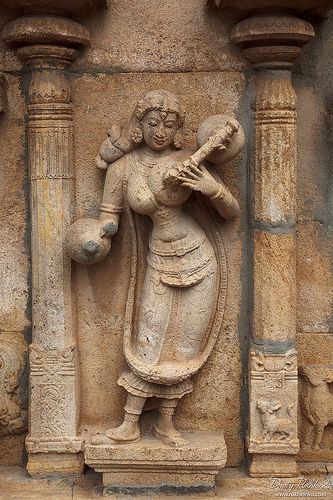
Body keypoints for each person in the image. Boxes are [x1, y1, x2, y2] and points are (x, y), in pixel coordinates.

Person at [91, 90, 241, 446]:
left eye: (169, 125)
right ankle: (129, 421)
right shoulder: (123, 167)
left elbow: (231, 213)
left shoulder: (189, 160)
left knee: (184, 345)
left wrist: (211, 188)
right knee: (150, 337)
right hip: (159, 259)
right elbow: (108, 215)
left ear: (177, 130)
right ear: (140, 125)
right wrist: (98, 236)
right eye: (153, 123)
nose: (160, 131)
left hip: (199, 259)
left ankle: (166, 423)